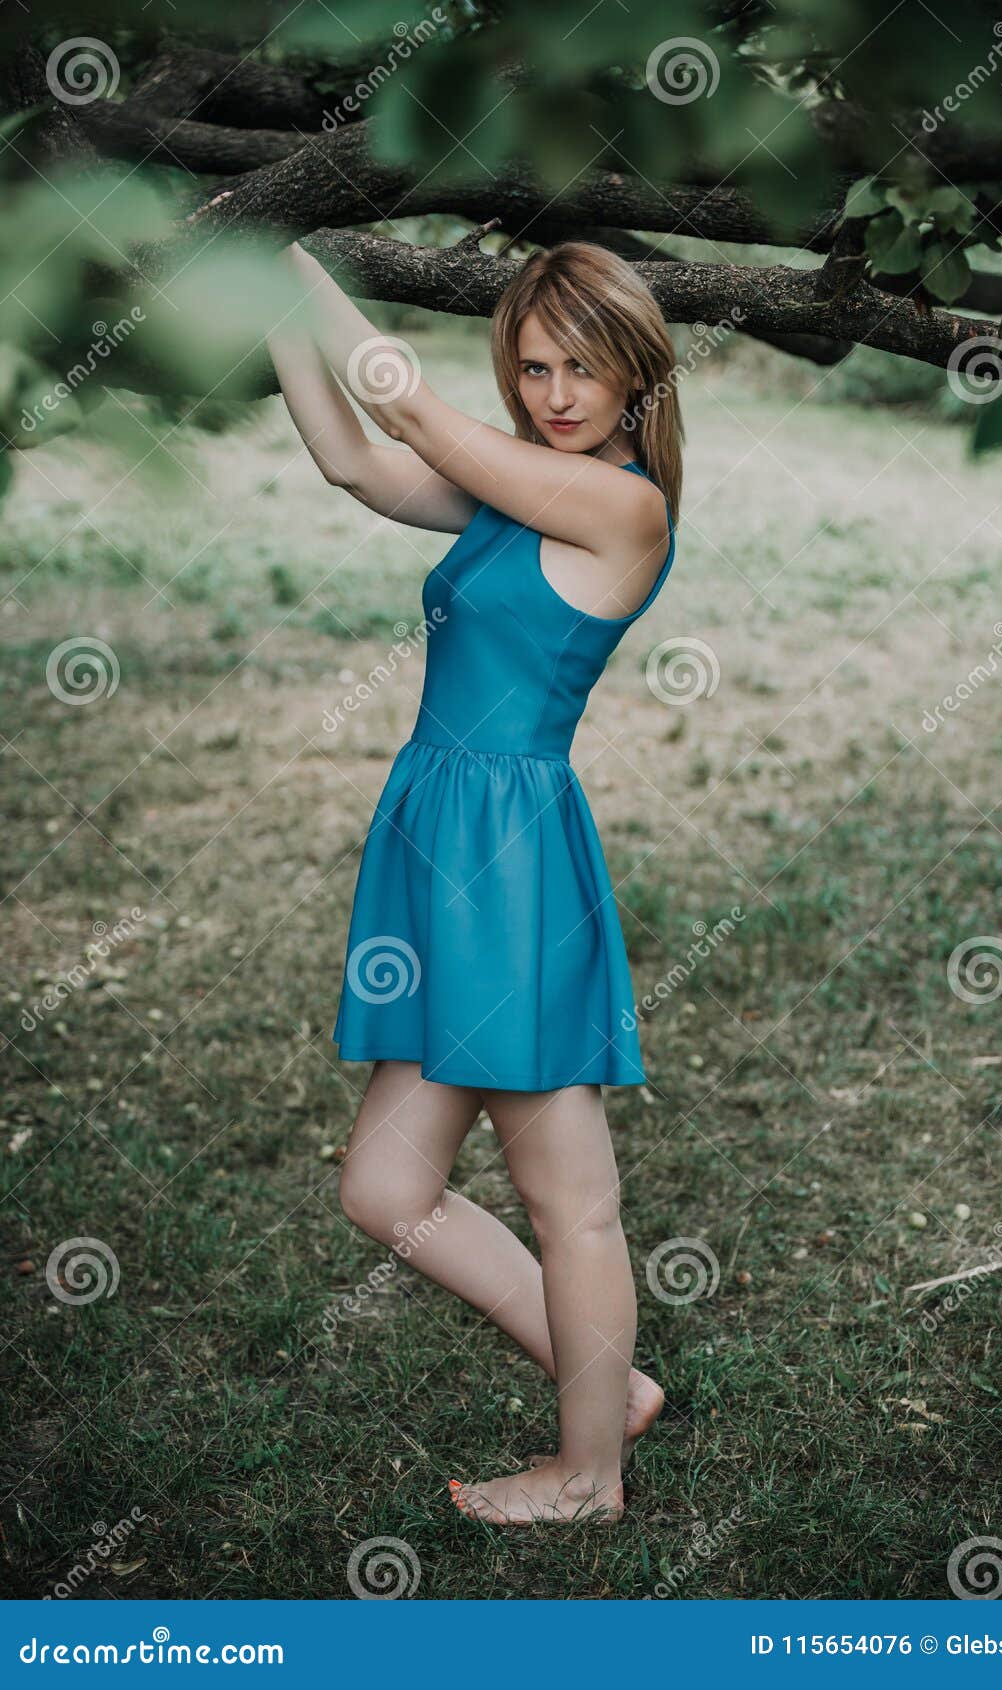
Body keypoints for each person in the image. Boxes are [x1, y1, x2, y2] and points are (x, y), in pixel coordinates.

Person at [266, 238, 682, 1526]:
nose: (556, 393)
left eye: (585, 367)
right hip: (440, 845)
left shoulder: (620, 508)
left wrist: (271, 244)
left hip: (509, 871)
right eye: (534, 367)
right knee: (384, 1190)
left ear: (637, 379)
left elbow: (405, 404)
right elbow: (354, 458)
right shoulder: (525, 488)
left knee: (575, 1206)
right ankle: (606, 1385)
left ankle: (587, 1478)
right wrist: (263, 300)